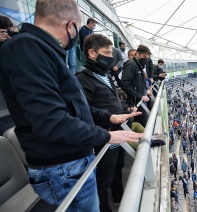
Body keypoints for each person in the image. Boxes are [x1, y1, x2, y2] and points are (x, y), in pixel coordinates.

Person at [0, 0, 143, 211]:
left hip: (71, 166)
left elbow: (74, 106)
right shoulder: (27, 48)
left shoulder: (41, 50)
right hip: (64, 169)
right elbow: (51, 121)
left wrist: (108, 118)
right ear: (70, 26)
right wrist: (107, 136)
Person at [76, 34, 142, 211]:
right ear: (92, 53)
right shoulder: (82, 79)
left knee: (118, 167)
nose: (110, 56)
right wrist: (109, 117)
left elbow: (111, 101)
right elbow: (85, 110)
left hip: (118, 134)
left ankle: (119, 196)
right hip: (105, 138)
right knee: (104, 178)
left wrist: (125, 109)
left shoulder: (105, 75)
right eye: (106, 52)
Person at [121, 45, 153, 127]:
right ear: (137, 53)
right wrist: (140, 96)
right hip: (133, 102)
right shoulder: (131, 65)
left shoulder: (139, 66)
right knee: (142, 125)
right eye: (143, 56)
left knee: (143, 124)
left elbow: (139, 84)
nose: (145, 59)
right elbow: (125, 84)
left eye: (147, 58)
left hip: (138, 101)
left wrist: (146, 91)